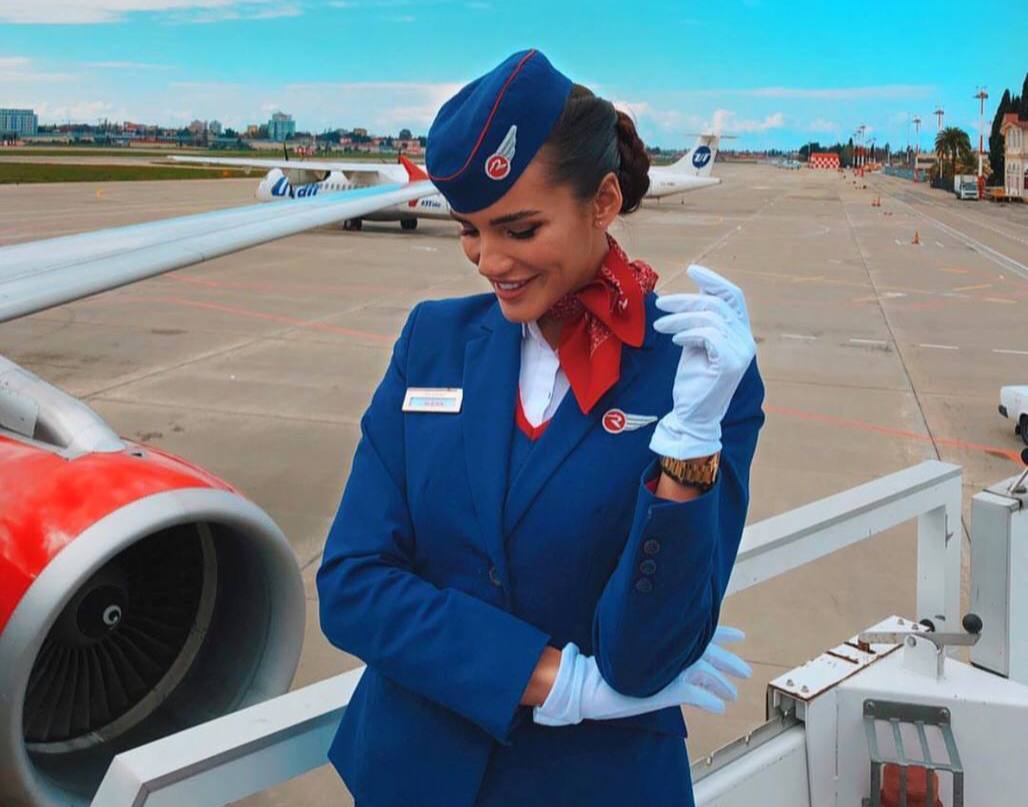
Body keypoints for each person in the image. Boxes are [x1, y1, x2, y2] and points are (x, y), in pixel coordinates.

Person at [317, 49, 766, 806]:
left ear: (603, 201)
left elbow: (644, 659)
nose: (489, 262)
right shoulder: (433, 341)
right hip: (412, 774)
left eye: (520, 229)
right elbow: (351, 584)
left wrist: (688, 444)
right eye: (469, 231)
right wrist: (552, 679)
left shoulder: (695, 372)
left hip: (594, 783)